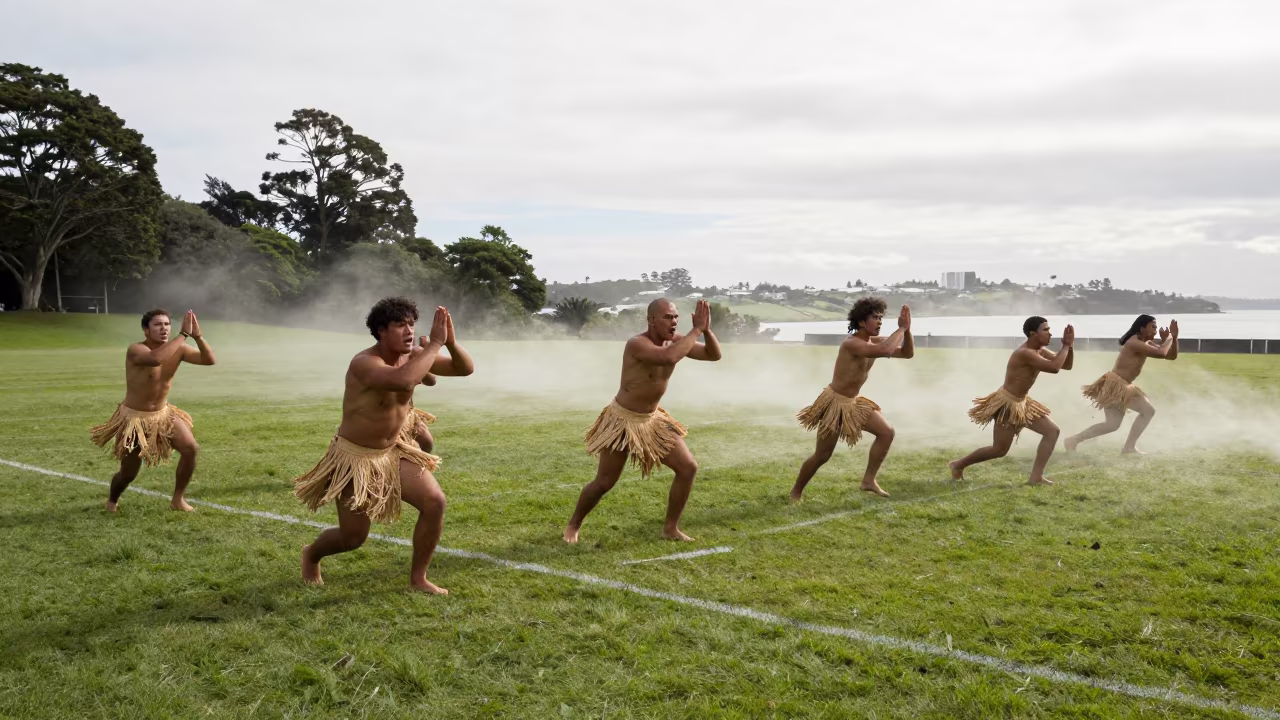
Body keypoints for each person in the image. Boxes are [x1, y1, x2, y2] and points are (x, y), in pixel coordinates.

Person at [294, 298, 473, 594]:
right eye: (400, 324)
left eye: (412, 324)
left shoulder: (415, 354)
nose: (409, 330)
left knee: (435, 502)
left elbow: (464, 369)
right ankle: (311, 554)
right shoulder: (364, 363)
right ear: (381, 331)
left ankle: (419, 579)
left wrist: (450, 343)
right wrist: (433, 345)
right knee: (353, 538)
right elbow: (403, 382)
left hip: (394, 451)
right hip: (356, 458)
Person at [564, 298, 721, 543]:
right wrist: (696, 330)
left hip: (652, 420)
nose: (674, 321)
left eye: (676, 317)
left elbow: (713, 355)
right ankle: (573, 526)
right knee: (605, 482)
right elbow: (667, 358)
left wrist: (707, 331)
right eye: (668, 317)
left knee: (688, 467)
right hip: (623, 420)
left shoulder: (678, 341)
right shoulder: (637, 344)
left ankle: (671, 528)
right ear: (651, 320)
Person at [91, 309, 215, 512]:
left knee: (190, 448)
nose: (164, 328)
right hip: (134, 419)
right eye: (158, 325)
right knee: (128, 473)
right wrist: (183, 335)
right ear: (145, 330)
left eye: (167, 324)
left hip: (163, 414)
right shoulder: (136, 350)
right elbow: (156, 359)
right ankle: (112, 500)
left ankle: (177, 500)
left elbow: (209, 359)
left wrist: (198, 336)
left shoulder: (179, 349)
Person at [791, 298, 912, 501]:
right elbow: (885, 350)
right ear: (862, 322)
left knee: (886, 432)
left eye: (881, 317)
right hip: (835, 404)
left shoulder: (873, 341)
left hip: (854, 403)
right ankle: (796, 492)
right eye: (875, 317)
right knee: (822, 455)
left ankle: (868, 481)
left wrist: (906, 331)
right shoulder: (851, 343)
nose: (880, 321)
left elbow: (907, 353)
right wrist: (901, 329)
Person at [949, 316, 1074, 486]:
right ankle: (958, 465)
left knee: (1052, 431)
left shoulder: (1039, 350)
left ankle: (1036, 477)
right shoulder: (1025, 353)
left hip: (1022, 402)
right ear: (1032, 333)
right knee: (999, 450)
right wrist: (1065, 345)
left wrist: (1070, 346)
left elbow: (1066, 365)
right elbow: (1054, 368)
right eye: (1045, 330)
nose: (1050, 334)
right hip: (1008, 404)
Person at [1065, 315, 1178, 455]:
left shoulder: (1146, 343)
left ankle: (1073, 440)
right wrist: (1170, 337)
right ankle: (1129, 448)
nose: (1156, 330)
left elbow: (1170, 356)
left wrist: (1175, 338)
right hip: (1117, 385)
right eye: (1153, 326)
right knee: (1148, 411)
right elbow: (1162, 353)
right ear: (1142, 328)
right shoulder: (1134, 342)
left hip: (1121, 385)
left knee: (1112, 425)